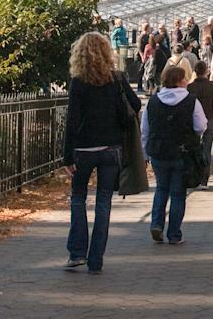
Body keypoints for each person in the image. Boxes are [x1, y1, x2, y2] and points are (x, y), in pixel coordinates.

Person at [63, 32, 141, 272]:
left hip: (84, 148)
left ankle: (77, 253)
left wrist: (67, 155)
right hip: (111, 147)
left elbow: (72, 119)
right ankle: (96, 259)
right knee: (103, 202)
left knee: (78, 198)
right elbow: (136, 105)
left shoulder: (78, 82)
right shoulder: (116, 79)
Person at [141, 65, 208, 245]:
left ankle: (156, 224)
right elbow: (201, 126)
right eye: (184, 78)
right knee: (178, 193)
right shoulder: (191, 101)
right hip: (182, 152)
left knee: (161, 189)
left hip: (158, 151)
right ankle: (174, 233)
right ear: (180, 81)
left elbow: (145, 129)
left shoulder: (153, 101)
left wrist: (145, 152)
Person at [188, 61, 213, 189]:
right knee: (207, 149)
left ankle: (195, 176)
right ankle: (204, 180)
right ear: (206, 71)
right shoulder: (212, 86)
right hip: (210, 120)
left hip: (193, 121)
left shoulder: (190, 87)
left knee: (194, 149)